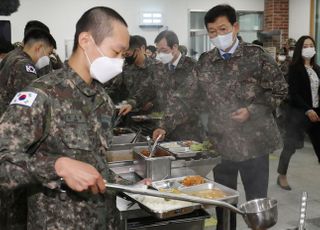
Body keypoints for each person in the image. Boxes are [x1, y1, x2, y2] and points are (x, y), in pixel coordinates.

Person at [153, 4, 287, 229]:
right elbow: (185, 97)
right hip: (222, 142)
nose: (218, 36)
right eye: (212, 32)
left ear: (235, 27)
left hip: (255, 144)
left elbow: (280, 90)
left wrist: (251, 111)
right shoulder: (205, 62)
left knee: (256, 205)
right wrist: (164, 124)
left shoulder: (257, 56)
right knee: (224, 202)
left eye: (223, 29)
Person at [0, 6, 132, 230]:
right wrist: (57, 166)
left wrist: (133, 187)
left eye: (124, 56)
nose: (120, 63)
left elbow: (96, 164)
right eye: (116, 52)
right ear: (86, 40)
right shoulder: (42, 95)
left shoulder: (103, 101)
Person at [277, 36, 320, 190]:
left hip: (316, 113)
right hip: (298, 114)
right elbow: (293, 94)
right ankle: (282, 175)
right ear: (300, 49)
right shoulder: (294, 68)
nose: (309, 48)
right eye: (305, 45)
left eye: (311, 45)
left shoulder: (317, 69)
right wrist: (307, 109)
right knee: (290, 146)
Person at [154, 30, 204, 141]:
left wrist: (164, 125)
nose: (160, 55)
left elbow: (184, 100)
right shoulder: (160, 68)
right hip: (166, 128)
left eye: (164, 50)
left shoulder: (192, 66)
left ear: (175, 47)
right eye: (158, 51)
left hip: (188, 131)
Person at [0, 29, 55, 115]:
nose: (47, 56)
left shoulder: (13, 55)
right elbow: (34, 100)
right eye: (48, 53)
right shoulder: (24, 66)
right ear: (39, 48)